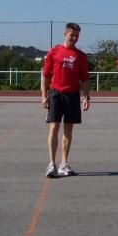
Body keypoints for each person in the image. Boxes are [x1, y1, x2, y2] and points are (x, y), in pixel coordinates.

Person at [41, 22, 91, 178]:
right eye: (72, 35)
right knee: (54, 127)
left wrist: (86, 97)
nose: (74, 38)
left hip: (72, 95)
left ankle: (64, 163)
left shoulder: (80, 56)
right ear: (65, 34)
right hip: (56, 94)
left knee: (68, 130)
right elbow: (46, 75)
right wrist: (44, 95)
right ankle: (52, 164)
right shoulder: (54, 52)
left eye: (77, 35)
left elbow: (84, 79)